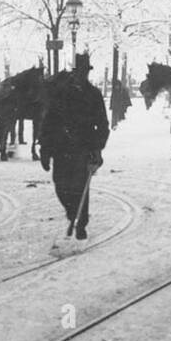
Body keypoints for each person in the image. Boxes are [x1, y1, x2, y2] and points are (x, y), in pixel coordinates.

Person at [40, 53, 109, 240]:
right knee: (60, 186)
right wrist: (44, 150)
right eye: (80, 72)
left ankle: (81, 223)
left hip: (83, 148)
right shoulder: (60, 93)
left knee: (80, 187)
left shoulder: (93, 94)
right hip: (60, 148)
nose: (82, 76)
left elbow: (102, 123)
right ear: (74, 72)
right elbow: (48, 122)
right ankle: (72, 214)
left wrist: (98, 149)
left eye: (85, 72)